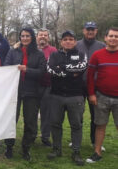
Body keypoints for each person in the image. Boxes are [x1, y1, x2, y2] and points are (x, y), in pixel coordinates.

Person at [3, 27, 46, 160]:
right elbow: (6, 66)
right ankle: (9, 146)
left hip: (32, 92)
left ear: (32, 37)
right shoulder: (13, 51)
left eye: (27, 36)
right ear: (20, 38)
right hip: (14, 91)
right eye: (22, 36)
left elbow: (42, 72)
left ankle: (26, 148)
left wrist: (27, 70)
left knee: (31, 122)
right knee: (11, 120)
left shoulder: (39, 54)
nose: (25, 38)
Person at [47, 30, 87, 166]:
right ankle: (56, 149)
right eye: (65, 39)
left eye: (71, 39)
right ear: (61, 42)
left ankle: (76, 152)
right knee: (55, 124)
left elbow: (81, 67)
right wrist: (70, 72)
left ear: (75, 41)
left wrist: (62, 69)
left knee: (76, 125)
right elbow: (50, 69)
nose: (68, 41)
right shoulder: (53, 55)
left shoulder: (81, 54)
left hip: (75, 96)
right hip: (56, 96)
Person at [86, 27, 118, 163]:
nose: (113, 38)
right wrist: (91, 94)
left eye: (116, 36)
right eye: (111, 36)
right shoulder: (97, 55)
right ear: (105, 38)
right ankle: (97, 152)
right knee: (100, 126)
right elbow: (90, 76)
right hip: (101, 96)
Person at [75, 21, 105, 150]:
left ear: (96, 31)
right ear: (83, 30)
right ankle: (76, 139)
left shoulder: (102, 46)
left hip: (95, 86)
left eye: (92, 29)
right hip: (78, 85)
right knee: (77, 114)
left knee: (95, 115)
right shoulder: (76, 45)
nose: (90, 31)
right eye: (88, 29)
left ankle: (94, 141)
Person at [36, 28, 57, 147]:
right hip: (34, 85)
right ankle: (31, 134)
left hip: (48, 85)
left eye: (45, 35)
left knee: (46, 112)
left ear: (48, 37)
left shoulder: (53, 50)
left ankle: (45, 136)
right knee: (32, 112)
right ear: (37, 37)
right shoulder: (32, 49)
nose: (42, 37)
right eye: (40, 35)